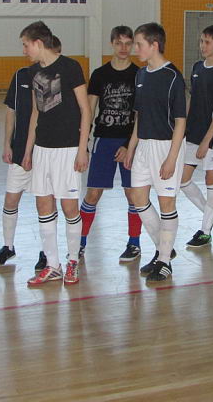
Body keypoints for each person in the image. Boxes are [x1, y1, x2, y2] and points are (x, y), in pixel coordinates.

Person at [21, 21, 91, 286]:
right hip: (42, 149)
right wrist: (29, 150)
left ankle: (72, 260)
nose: (24, 51)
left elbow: (85, 110)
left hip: (68, 149)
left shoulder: (71, 67)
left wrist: (82, 149)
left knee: (69, 206)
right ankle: (53, 265)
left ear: (38, 43)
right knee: (43, 205)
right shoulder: (32, 72)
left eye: (26, 45)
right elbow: (35, 112)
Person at [0, 36, 62, 271]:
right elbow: (10, 111)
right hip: (20, 151)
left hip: (45, 152)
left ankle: (46, 252)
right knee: (11, 199)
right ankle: (8, 247)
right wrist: (7, 144)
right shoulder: (21, 75)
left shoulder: (55, 78)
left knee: (47, 203)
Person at [124, 22, 187, 282]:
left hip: (166, 146)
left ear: (154, 45)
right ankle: (164, 249)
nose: (134, 49)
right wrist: (131, 147)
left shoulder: (173, 76)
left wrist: (171, 158)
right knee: (138, 198)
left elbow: (181, 121)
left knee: (166, 203)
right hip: (144, 145)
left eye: (139, 44)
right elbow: (139, 115)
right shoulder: (140, 75)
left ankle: (164, 261)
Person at [79, 26, 142, 262]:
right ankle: (79, 242)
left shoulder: (139, 75)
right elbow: (89, 110)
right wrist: (83, 144)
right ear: (112, 44)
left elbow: (141, 115)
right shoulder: (99, 74)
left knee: (133, 195)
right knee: (93, 194)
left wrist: (129, 145)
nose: (124, 48)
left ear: (133, 45)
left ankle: (134, 244)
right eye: (119, 43)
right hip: (103, 141)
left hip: (130, 142)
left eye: (128, 43)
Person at [180, 25, 213, 248]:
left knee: (211, 181)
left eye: (208, 42)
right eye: (201, 41)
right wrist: (184, 129)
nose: (203, 46)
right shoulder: (196, 67)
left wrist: (206, 141)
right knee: (182, 179)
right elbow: (192, 101)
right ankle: (210, 213)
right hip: (193, 133)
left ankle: (205, 230)